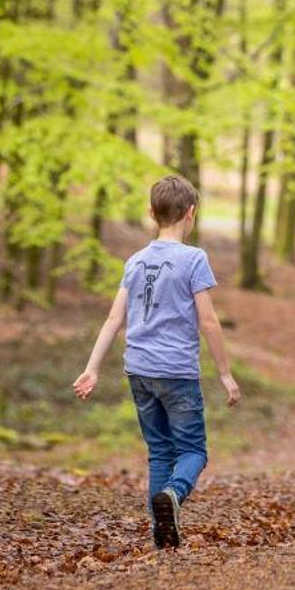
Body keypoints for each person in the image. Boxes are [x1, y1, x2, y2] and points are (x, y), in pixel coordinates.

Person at [73, 175, 241, 550]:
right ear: (191, 214)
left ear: (151, 213)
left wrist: (93, 367)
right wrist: (226, 374)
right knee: (193, 451)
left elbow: (114, 319)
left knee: (160, 451)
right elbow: (209, 321)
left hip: (139, 370)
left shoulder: (135, 261)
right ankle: (174, 495)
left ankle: (162, 533)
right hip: (177, 371)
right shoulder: (194, 259)